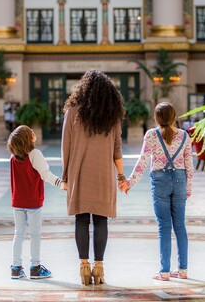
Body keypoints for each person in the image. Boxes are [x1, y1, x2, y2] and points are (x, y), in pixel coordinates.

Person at [61, 69, 126, 286]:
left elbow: (66, 148)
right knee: (100, 219)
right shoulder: (112, 115)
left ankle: (83, 267)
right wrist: (120, 175)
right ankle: (99, 267)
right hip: (103, 174)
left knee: (81, 218)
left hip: (79, 172)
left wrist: (65, 176)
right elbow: (117, 149)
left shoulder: (72, 112)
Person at [123, 102, 193, 281]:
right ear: (174, 116)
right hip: (179, 180)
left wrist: (130, 182)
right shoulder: (184, 136)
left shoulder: (151, 135)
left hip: (160, 180)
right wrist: (188, 187)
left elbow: (143, 161)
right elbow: (189, 165)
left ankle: (164, 272)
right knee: (180, 226)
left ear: (156, 118)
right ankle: (183, 270)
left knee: (164, 227)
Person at [7, 125, 66, 280]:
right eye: (30, 131)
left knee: (18, 234)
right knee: (35, 234)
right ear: (27, 138)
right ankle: (35, 267)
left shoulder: (13, 158)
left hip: (17, 201)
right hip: (33, 201)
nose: (33, 132)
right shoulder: (35, 154)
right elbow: (45, 174)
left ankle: (16, 268)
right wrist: (60, 183)